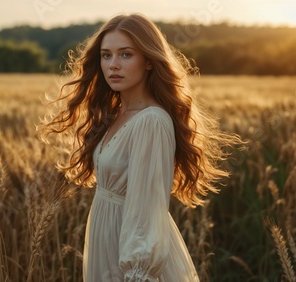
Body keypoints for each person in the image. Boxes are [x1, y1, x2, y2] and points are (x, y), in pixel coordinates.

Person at [40, 13, 240, 281]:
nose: (113, 65)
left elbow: (146, 205)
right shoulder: (117, 115)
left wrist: (138, 270)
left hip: (130, 253)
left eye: (125, 55)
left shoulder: (152, 122)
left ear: (148, 61)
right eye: (106, 55)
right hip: (107, 242)